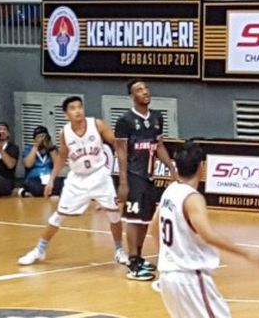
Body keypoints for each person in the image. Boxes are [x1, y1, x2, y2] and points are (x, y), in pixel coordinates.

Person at [152, 141, 259, 318]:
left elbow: (153, 229)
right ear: (201, 167)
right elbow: (208, 235)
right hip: (190, 278)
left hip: (168, 277)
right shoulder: (192, 198)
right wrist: (246, 253)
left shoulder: (170, 190)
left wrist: (171, 256)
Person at [17, 96, 128, 265]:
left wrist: (123, 172)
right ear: (66, 114)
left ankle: (119, 250)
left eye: (80, 107)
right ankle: (39, 250)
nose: (78, 111)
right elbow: (62, 157)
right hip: (77, 179)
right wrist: (52, 180)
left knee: (114, 214)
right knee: (58, 217)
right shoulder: (65, 132)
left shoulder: (96, 124)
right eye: (73, 108)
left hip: (99, 175)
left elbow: (118, 144)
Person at [115, 78, 177, 281]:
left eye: (146, 88)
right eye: (139, 90)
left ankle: (139, 257)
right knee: (133, 219)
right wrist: (123, 181)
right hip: (134, 176)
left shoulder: (157, 117)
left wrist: (171, 169)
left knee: (144, 219)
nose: (145, 92)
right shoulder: (124, 121)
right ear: (132, 96)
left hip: (149, 176)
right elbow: (121, 152)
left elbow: (158, 146)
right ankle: (132, 263)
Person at [19, 125, 60, 197]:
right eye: (39, 137)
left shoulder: (53, 149)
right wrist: (36, 146)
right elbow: (28, 164)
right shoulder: (28, 148)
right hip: (34, 179)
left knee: (64, 182)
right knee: (28, 183)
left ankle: (32, 192)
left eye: (44, 136)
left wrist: (50, 148)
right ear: (34, 139)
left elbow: (58, 165)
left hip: (50, 180)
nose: (42, 139)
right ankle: (50, 192)